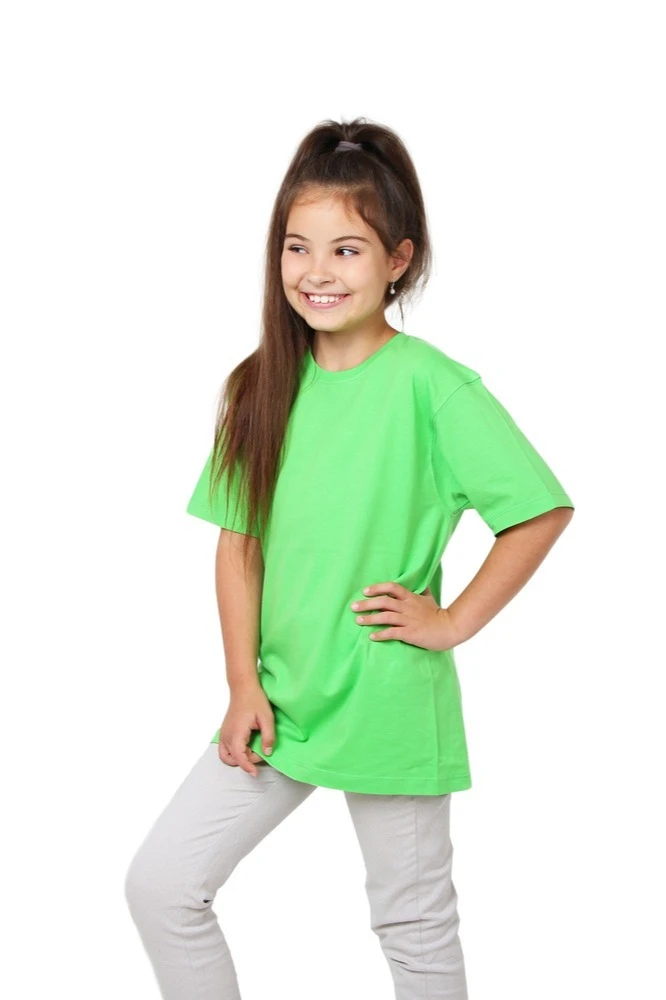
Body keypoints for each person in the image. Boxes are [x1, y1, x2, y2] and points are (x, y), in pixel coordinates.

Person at [124, 117, 575, 1000]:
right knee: (163, 885)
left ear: (398, 260)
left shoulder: (433, 387)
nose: (317, 272)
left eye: (346, 249)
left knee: (412, 922)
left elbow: (539, 511)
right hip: (282, 701)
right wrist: (242, 684)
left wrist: (451, 621)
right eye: (298, 247)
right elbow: (238, 544)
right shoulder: (260, 385)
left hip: (387, 698)